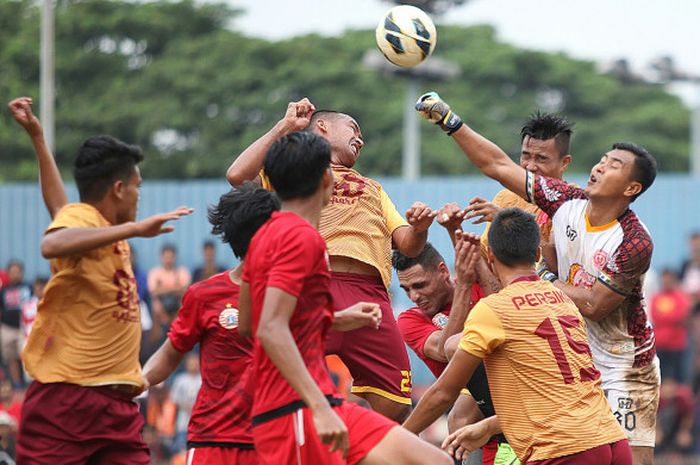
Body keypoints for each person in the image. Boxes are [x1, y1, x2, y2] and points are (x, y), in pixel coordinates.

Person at [416, 92, 660, 465]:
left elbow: (594, 305)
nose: (599, 167)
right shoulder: (564, 201)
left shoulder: (634, 241)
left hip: (624, 363)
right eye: (602, 160)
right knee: (466, 404)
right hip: (569, 341)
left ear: (631, 189)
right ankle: (497, 436)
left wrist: (537, 272)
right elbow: (496, 163)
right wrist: (449, 120)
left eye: (613, 166)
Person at [239, 131, 451, 465]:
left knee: (425, 450)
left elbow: (249, 324)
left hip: (306, 394)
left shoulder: (266, 238)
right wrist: (321, 409)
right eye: (353, 129)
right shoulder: (302, 240)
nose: (361, 139)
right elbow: (269, 328)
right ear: (326, 177)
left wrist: (332, 319)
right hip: (296, 409)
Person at [8, 96, 192, 464]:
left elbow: (58, 208)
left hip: (117, 407)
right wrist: (135, 228)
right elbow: (52, 241)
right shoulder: (91, 224)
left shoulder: (97, 230)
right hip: (67, 404)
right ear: (119, 189)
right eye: (137, 186)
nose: (140, 195)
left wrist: (38, 139)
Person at [404, 208, 631, 465]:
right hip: (611, 439)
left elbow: (444, 392)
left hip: (562, 447)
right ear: (536, 254)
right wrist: (490, 427)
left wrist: (396, 437)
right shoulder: (562, 300)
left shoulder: (493, 310)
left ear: (489, 256)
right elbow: (558, 396)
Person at [143, 182, 281, 465]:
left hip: (273, 439)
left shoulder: (291, 293)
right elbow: (170, 355)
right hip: (214, 440)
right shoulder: (203, 295)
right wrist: (134, 383)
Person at [394, 241, 519, 465]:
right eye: (406, 289)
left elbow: (506, 311)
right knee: (460, 418)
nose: (414, 296)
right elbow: (444, 351)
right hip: (479, 398)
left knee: (460, 416)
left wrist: (456, 232)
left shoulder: (484, 288)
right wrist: (463, 286)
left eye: (420, 285)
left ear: (443, 272)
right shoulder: (409, 320)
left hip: (515, 382)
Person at [650, 269, 691, 383]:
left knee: (677, 377)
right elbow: (654, 316)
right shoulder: (656, 297)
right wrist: (670, 319)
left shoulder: (680, 297)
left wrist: (664, 317)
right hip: (660, 344)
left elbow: (681, 316)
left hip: (676, 344)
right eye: (664, 278)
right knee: (660, 376)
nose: (666, 281)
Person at [0, 261, 31, 388]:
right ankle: (17, 384)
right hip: (7, 328)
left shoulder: (28, 287)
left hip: (24, 329)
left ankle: (29, 382)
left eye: (18, 272)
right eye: (12, 272)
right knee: (11, 357)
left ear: (22, 273)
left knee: (26, 355)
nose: (15, 275)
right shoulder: (3, 290)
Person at [148, 244, 192, 329]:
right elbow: (153, 292)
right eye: (166, 257)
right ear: (161, 257)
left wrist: (162, 288)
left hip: (178, 314)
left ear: (175, 257)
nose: (168, 260)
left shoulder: (182, 271)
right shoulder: (155, 272)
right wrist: (175, 288)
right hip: (159, 317)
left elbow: (185, 291)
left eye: (171, 257)